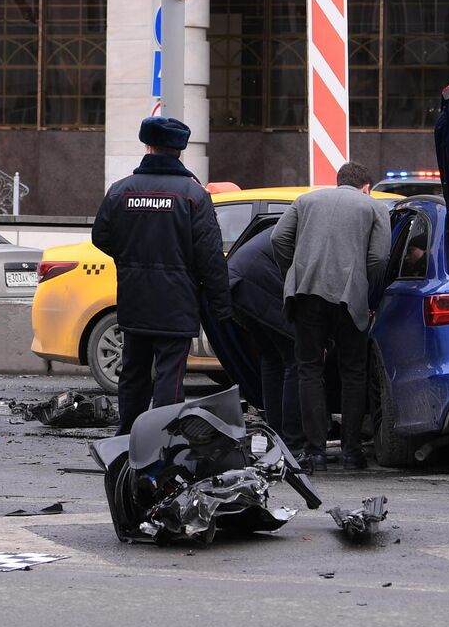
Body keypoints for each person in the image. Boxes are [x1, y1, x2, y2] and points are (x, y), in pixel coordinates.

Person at [91, 116, 231, 433]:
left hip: (134, 299)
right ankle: (160, 439)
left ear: (148, 145)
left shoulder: (121, 190)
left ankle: (127, 436)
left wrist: (130, 259)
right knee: (170, 374)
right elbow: (210, 257)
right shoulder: (193, 195)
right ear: (178, 150)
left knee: (133, 371)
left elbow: (100, 236)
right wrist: (222, 306)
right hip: (177, 304)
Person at [272, 162, 389, 470]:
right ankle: (351, 452)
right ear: (365, 187)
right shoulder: (373, 207)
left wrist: (294, 274)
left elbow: (277, 240)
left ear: (339, 182)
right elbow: (379, 256)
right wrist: (365, 286)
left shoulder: (306, 200)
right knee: (353, 372)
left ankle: (315, 453)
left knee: (308, 369)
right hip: (350, 298)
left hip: (307, 294)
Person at [228, 223, 306, 454]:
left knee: (272, 358)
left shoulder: (299, 221)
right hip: (256, 281)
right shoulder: (315, 229)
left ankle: (277, 434)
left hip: (237, 282)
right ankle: (292, 440)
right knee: (295, 356)